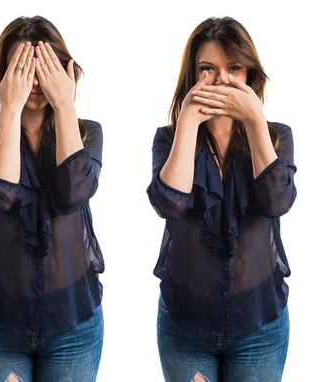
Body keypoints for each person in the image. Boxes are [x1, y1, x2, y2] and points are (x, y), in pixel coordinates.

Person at [147, 16, 296, 382]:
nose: (222, 81)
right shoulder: (168, 138)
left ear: (249, 75)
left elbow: (277, 201)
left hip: (260, 326)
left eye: (234, 68)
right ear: (192, 76)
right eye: (207, 70)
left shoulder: (277, 136)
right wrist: (187, 123)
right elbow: (169, 205)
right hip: (185, 325)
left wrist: (255, 121)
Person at [0, 15, 104, 382]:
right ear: (2, 75)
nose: (35, 81)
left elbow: (74, 191)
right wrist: (9, 108)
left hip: (74, 323)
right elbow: (0, 194)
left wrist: (65, 106)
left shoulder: (88, 134)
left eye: (45, 68)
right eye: (23, 68)